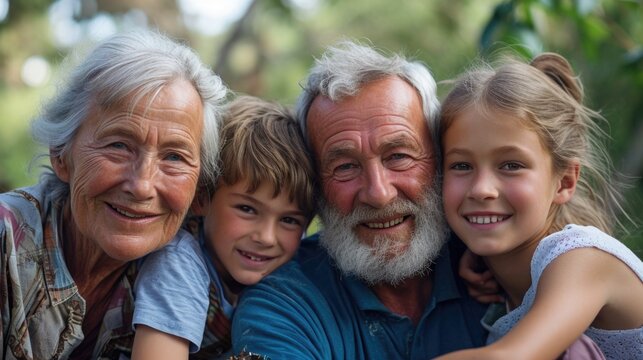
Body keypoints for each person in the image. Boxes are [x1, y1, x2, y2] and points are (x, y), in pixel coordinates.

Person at [230, 41, 489, 359]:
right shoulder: (283, 306)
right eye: (345, 167)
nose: (379, 194)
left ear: (439, 157)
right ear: (316, 185)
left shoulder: (492, 257)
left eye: (398, 156)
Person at [0, 30, 228, 359]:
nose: (142, 185)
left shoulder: (206, 276)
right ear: (61, 155)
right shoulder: (8, 242)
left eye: (174, 157)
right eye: (118, 146)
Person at [435, 53, 642, 360]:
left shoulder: (583, 260)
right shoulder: (498, 277)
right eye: (461, 165)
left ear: (564, 182)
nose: (481, 189)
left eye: (510, 165)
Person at [130, 95, 316, 359]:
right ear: (202, 199)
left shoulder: (288, 270)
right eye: (247, 209)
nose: (266, 237)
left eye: (289, 220)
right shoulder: (179, 264)